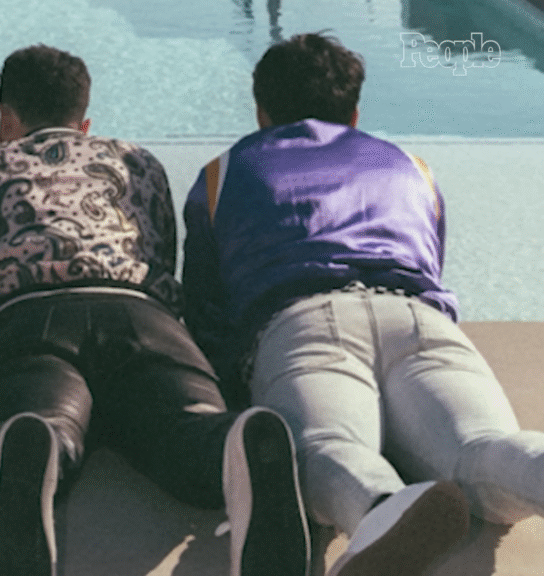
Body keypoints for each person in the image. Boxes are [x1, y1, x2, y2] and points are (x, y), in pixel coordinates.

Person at [0, 44, 310, 576]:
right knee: (183, 427)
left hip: (29, 317)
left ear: (6, 117)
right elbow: (162, 255)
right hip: (141, 315)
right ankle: (228, 443)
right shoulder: (136, 161)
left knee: (39, 412)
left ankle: (41, 436)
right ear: (84, 121)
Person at [182, 32, 544, 576]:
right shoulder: (409, 166)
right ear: (354, 114)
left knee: (324, 448)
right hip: (417, 319)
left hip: (303, 323)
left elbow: (207, 309)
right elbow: (430, 263)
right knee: (482, 448)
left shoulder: (224, 172)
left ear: (260, 112)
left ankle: (382, 507)